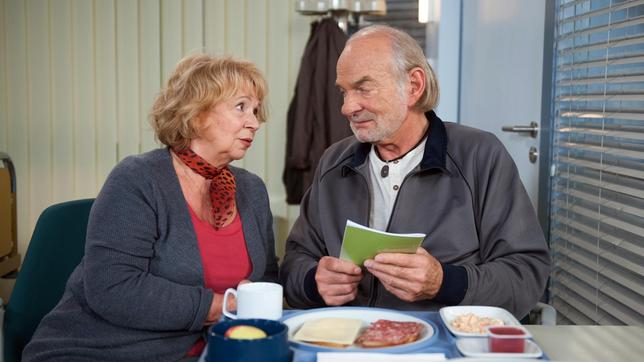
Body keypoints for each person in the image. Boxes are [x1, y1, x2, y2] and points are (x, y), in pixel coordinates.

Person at [279, 25, 551, 319]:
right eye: (343, 92)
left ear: (413, 85)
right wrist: (313, 282)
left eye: (363, 88)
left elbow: (526, 273)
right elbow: (294, 262)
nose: (347, 107)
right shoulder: (333, 162)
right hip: (352, 341)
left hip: (444, 342)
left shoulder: (479, 155)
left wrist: (446, 283)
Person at [23, 54, 278, 361]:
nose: (255, 122)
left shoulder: (252, 190)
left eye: (255, 110)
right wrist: (220, 305)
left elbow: (266, 281)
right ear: (196, 113)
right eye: (241, 107)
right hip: (104, 351)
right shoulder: (137, 179)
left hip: (213, 351)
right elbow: (113, 288)